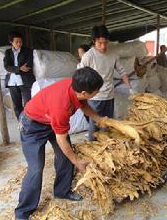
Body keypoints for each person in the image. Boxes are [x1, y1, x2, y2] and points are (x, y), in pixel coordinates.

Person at [15, 67, 105, 220]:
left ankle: (62, 192)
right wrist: (77, 162)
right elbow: (61, 139)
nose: (97, 92)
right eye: (96, 91)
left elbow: (83, 105)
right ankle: (23, 212)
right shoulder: (61, 106)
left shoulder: (76, 86)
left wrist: (99, 119)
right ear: (84, 92)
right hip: (32, 125)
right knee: (36, 168)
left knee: (64, 158)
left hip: (50, 120)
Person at [80, 25, 131, 141]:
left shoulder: (112, 55)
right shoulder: (89, 56)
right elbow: (81, 75)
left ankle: (106, 147)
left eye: (105, 43)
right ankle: (92, 148)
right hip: (94, 97)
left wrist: (130, 88)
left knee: (107, 124)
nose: (103, 47)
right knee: (94, 125)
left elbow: (122, 71)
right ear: (94, 41)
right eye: (99, 43)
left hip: (109, 96)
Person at [3, 31, 35, 120]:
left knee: (28, 103)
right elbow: (6, 66)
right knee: (16, 105)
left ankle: (29, 122)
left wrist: (13, 69)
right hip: (12, 82)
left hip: (25, 81)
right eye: (16, 41)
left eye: (20, 41)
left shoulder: (28, 51)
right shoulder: (8, 52)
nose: (19, 43)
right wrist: (19, 68)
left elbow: (28, 66)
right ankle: (21, 122)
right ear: (11, 42)